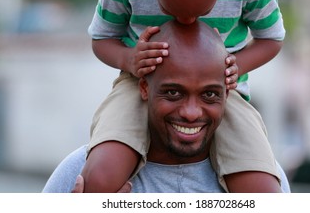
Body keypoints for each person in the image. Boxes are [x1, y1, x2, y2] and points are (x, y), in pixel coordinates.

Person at [84, 0, 285, 192]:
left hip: (221, 91)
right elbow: (102, 38)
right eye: (171, 10)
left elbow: (272, 38)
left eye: (202, 12)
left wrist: (236, 65)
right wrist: (129, 58)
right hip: (139, 82)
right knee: (101, 177)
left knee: (262, 189)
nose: (187, 22)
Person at [43, 20, 290, 193]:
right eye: (173, 93)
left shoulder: (265, 177)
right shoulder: (81, 173)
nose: (191, 112)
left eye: (209, 95)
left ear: (228, 93)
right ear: (143, 88)